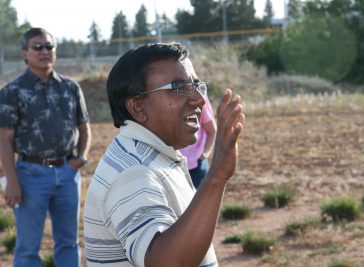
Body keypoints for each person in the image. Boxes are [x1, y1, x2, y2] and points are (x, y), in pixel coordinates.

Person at [83, 42, 244, 267]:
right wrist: (216, 177)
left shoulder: (152, 155)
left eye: (196, 85)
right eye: (179, 87)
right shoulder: (134, 172)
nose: (198, 99)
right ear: (138, 107)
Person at [0, 27, 91, 267]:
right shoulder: (12, 92)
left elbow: (84, 128)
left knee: (69, 243)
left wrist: (80, 160)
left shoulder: (71, 88)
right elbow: (4, 139)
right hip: (29, 176)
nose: (44, 52)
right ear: (24, 53)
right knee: (28, 248)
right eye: (37, 47)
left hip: (67, 172)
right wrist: (11, 180)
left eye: (49, 46)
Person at [179, 96, 216, 188]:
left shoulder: (199, 98)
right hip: (172, 166)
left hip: (197, 167)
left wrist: (205, 154)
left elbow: (212, 131)